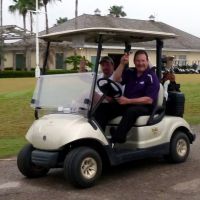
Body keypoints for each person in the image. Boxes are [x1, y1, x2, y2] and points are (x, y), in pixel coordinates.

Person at [94, 50, 160, 143]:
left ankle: (116, 139)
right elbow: (116, 79)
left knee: (131, 111)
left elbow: (149, 100)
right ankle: (98, 138)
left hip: (144, 106)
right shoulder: (131, 73)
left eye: (143, 61)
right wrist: (122, 64)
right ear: (134, 61)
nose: (140, 63)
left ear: (147, 61)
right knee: (102, 108)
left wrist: (128, 101)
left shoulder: (151, 76)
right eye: (138, 61)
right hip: (127, 103)